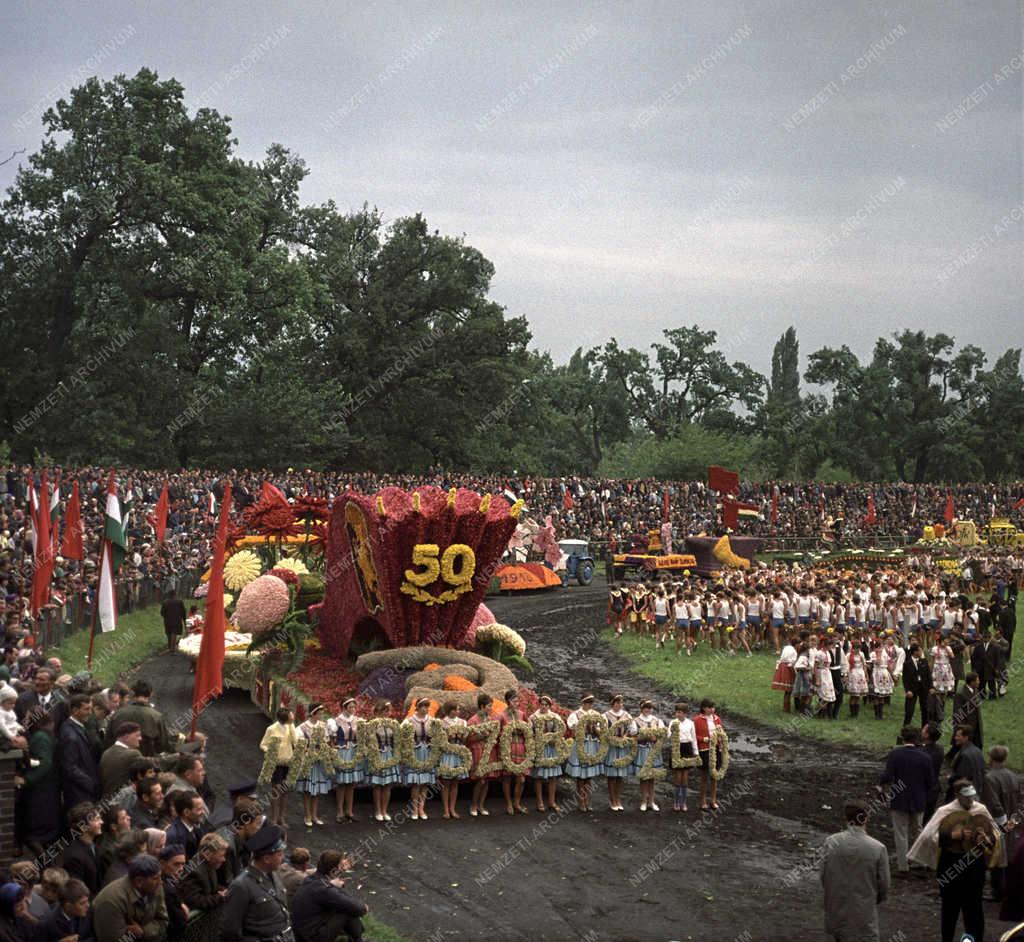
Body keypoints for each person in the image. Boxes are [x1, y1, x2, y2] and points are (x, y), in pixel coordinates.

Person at [909, 780, 1001, 942]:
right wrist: (951, 836)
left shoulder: (981, 809)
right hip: (951, 865)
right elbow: (928, 835)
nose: (970, 800)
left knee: (974, 909)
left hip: (974, 866)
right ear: (957, 795)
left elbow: (995, 834)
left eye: (972, 796)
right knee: (949, 909)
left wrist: (985, 838)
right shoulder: (945, 811)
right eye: (966, 797)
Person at [819, 799, 890, 942]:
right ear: (866, 818)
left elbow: (823, 875)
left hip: (837, 908)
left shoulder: (831, 842)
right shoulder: (878, 848)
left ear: (846, 818)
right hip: (863, 912)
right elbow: (884, 885)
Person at [878, 724, 935, 874]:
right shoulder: (925, 757)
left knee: (900, 833)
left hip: (899, 798)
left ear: (903, 737)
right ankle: (919, 861)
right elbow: (930, 782)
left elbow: (888, 776)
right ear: (917, 738)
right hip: (918, 798)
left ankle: (903, 866)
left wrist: (881, 783)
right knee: (918, 830)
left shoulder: (896, 754)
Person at [220, 824, 292, 942]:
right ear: (266, 859)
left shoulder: (273, 874)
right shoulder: (241, 886)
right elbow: (230, 931)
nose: (283, 858)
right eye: (279, 854)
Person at [291, 849, 369, 942]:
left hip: (300, 932)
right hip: (311, 937)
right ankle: (358, 939)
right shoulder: (324, 890)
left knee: (343, 906)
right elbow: (356, 908)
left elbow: (338, 896)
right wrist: (363, 907)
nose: (343, 868)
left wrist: (335, 886)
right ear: (333, 870)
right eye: (341, 865)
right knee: (346, 911)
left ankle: (356, 938)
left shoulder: (311, 880)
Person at [92, 853, 168, 942]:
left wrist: (143, 932)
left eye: (160, 877)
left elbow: (163, 921)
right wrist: (133, 935)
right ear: (139, 881)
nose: (161, 882)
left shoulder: (155, 887)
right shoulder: (111, 902)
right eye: (156, 878)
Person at [179, 831, 231, 940]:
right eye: (221, 856)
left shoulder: (209, 865)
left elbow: (212, 886)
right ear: (207, 854)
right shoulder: (195, 873)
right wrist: (220, 898)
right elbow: (196, 901)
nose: (223, 859)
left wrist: (222, 890)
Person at [985, 744, 1020, 904]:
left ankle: (997, 891)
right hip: (1012, 821)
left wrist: (1003, 823)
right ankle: (1008, 889)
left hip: (998, 823)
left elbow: (994, 804)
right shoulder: (1013, 776)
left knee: (996, 856)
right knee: (1009, 854)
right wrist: (1014, 820)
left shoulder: (990, 778)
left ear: (991, 758)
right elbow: (1019, 800)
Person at [58, 692, 102, 810]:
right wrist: (90, 784)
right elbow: (70, 767)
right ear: (75, 710)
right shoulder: (69, 734)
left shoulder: (79, 727)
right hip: (78, 792)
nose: (90, 713)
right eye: (86, 709)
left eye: (91, 709)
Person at [295, 704, 335, 828]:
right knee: (307, 790)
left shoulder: (323, 726)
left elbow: (327, 742)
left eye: (322, 713)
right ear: (313, 713)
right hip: (308, 761)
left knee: (316, 791)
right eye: (319, 713)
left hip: (319, 761)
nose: (321, 715)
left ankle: (314, 815)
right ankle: (307, 815)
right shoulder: (302, 728)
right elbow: (299, 746)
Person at [260, 707, 298, 828]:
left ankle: (281, 817)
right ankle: (274, 817)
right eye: (290, 716)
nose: (292, 718)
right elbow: (263, 744)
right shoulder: (271, 729)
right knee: (275, 790)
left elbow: (295, 741)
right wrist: (270, 752)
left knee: (285, 791)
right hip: (276, 763)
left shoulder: (290, 727)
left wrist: (292, 726)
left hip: (287, 761)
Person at [565, 693, 603, 813]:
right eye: (588, 702)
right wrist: (583, 725)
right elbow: (572, 729)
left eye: (591, 703)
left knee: (589, 776)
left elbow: (600, 731)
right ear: (583, 703)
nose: (590, 705)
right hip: (581, 744)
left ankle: (587, 801)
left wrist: (595, 729)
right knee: (581, 776)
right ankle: (581, 801)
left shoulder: (595, 715)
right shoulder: (575, 715)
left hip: (591, 745)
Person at [402, 696, 437, 820]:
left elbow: (437, 736)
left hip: (427, 753)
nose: (425, 709)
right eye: (423, 706)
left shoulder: (432, 721)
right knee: (416, 783)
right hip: (415, 753)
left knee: (425, 783)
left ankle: (421, 808)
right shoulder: (409, 721)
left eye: (427, 706)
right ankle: (414, 809)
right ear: (417, 707)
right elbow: (403, 735)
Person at [529, 696, 562, 814]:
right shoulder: (533, 717)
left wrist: (552, 738)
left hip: (551, 748)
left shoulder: (555, 717)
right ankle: (540, 801)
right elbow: (529, 733)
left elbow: (559, 732)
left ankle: (552, 802)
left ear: (549, 706)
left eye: (546, 705)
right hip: (539, 748)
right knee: (539, 776)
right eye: (542, 704)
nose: (543, 706)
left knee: (553, 776)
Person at [61, 802, 103, 895]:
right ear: (83, 827)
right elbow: (78, 892)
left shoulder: (94, 846)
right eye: (97, 819)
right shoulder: (74, 857)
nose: (101, 822)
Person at [33, 877, 91, 942]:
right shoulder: (46, 924)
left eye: (87, 901)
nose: (88, 905)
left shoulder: (88, 913)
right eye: (82, 903)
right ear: (68, 906)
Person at [634, 699, 665, 812]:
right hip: (642, 750)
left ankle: (651, 801)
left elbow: (663, 735)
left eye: (650, 707)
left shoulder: (657, 721)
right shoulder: (636, 721)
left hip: (653, 750)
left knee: (652, 777)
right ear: (642, 708)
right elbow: (633, 737)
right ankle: (643, 801)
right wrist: (643, 737)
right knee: (644, 777)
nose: (648, 710)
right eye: (646, 707)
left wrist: (656, 738)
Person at [99, 721, 145, 796]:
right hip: (126, 800)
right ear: (126, 737)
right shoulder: (132, 754)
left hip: (108, 800)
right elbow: (150, 766)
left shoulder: (106, 753)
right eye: (137, 735)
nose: (140, 738)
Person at [694, 698, 724, 811]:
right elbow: (694, 736)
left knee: (714, 776)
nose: (712, 709)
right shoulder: (697, 720)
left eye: (713, 707)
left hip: (716, 749)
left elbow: (721, 733)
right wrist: (705, 739)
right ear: (704, 708)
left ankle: (713, 800)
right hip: (704, 750)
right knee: (704, 776)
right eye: (710, 707)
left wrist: (721, 743)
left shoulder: (717, 719)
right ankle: (702, 800)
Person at [946, 724, 987, 801]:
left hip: (965, 794)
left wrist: (950, 778)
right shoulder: (977, 750)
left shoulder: (965, 755)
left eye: (958, 736)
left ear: (966, 737)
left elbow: (962, 775)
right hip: (977, 790)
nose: (955, 738)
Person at [165, 790, 209, 859]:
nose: (203, 812)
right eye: (199, 809)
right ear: (186, 812)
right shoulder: (173, 835)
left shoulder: (198, 829)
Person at [158, 844, 189, 942]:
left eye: (183, 864)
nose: (181, 869)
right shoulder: (164, 888)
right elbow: (179, 924)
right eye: (176, 864)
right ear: (162, 863)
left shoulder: (171, 880)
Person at [671, 701, 697, 813]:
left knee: (685, 777)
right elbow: (669, 735)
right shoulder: (673, 722)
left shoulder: (690, 723)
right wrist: (672, 731)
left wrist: (696, 752)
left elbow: (693, 738)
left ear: (685, 713)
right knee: (678, 776)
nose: (678, 714)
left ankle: (683, 802)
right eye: (677, 712)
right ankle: (676, 802)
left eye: (681, 712)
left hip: (687, 748)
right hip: (677, 748)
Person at [902, 642, 931, 727]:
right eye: (920, 650)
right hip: (912, 689)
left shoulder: (924, 662)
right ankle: (906, 727)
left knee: (925, 709)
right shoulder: (907, 663)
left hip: (923, 688)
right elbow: (905, 679)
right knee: (909, 710)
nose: (921, 652)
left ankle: (924, 727)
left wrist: (931, 687)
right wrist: (907, 690)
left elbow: (928, 676)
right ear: (915, 652)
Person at [951, 672, 984, 749]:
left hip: (976, 728)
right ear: (972, 682)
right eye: (977, 680)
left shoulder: (975, 690)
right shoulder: (960, 694)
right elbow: (957, 714)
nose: (979, 682)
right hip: (966, 729)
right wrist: (962, 730)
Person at [921, 721, 945, 823]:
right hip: (934, 787)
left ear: (927, 735)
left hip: (923, 789)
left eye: (924, 729)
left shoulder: (922, 753)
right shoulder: (940, 749)